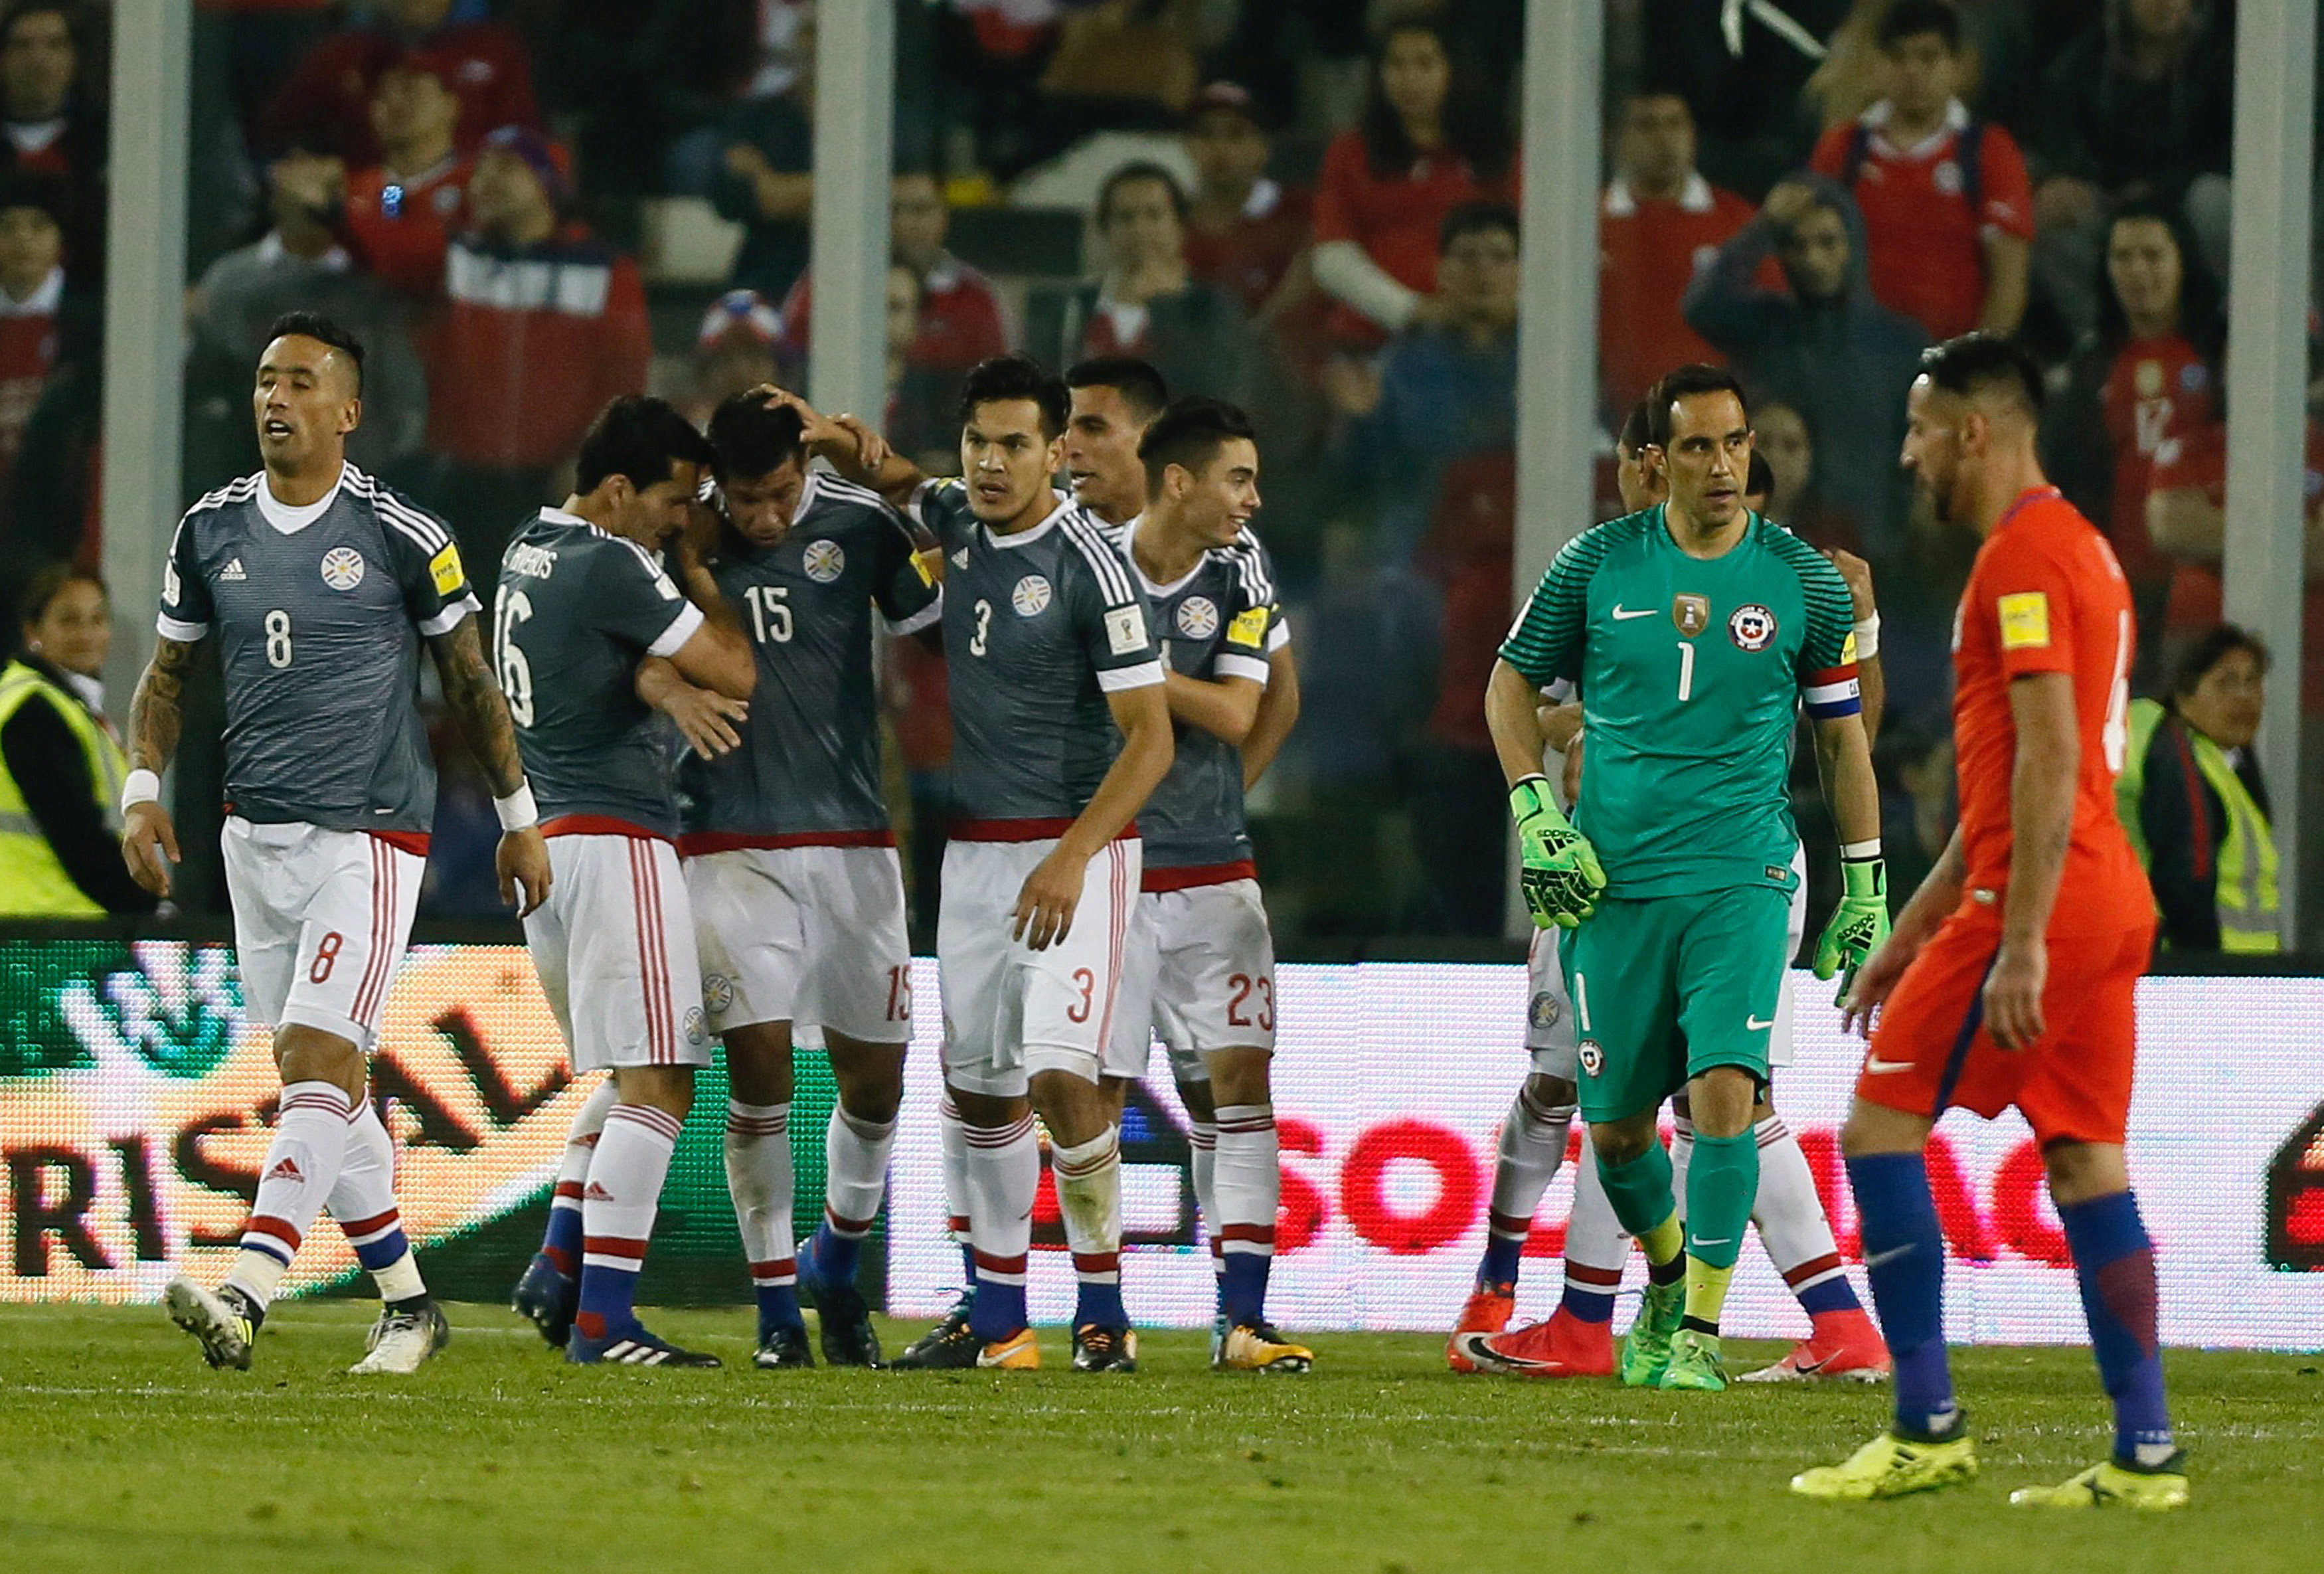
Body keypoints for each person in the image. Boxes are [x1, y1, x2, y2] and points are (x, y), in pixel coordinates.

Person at [1793, 334, 2185, 1510]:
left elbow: (2053, 758)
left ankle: (1925, 1425)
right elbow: (2018, 772)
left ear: (1975, 429)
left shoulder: (2018, 563)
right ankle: (2147, 1451)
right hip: (2105, 902)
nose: (1909, 456)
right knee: (2084, 1162)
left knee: (1878, 1131)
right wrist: (1910, 930)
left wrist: (2011, 939)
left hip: (2042, 907)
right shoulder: (2085, 551)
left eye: (1921, 430)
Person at [127, 312, 550, 1376]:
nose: (277, 399)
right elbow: (168, 677)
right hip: (250, 836)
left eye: (302, 383)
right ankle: (410, 1305)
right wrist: (141, 791)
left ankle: (249, 1288)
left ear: (349, 411)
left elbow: (468, 680)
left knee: (318, 1059)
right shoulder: (207, 531)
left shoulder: (405, 535)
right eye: (268, 380)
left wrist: (516, 819)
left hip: (368, 835)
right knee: (328, 1085)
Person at [1453, 396, 1890, 1386]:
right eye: (1698, 446)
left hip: (1744, 871)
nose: (1721, 464)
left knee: (1725, 1096)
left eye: (1735, 445)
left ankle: (1684, 1327)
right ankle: (1680, 1301)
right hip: (1609, 879)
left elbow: (1845, 731)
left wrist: (1865, 880)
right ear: (1655, 461)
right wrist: (1538, 807)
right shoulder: (1597, 566)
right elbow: (1516, 691)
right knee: (1613, 1117)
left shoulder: (1802, 581)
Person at [886, 355, 1173, 1372]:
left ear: (1058, 451)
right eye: (978, 442)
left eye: (1015, 444)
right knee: (980, 1089)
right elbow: (898, 481)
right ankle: (1001, 1319)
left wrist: (1069, 857)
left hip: (1077, 853)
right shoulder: (957, 521)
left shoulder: (1096, 565)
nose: (992, 463)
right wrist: (844, 446)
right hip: (972, 857)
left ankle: (1103, 1309)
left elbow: (1151, 739)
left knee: (1060, 1075)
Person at [663, 394, 940, 1369]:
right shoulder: (681, 532)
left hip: (856, 843)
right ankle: (778, 1309)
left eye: (782, 493)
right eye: (748, 499)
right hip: (726, 840)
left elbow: (943, 615)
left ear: (804, 469)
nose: (769, 518)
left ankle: (837, 1264)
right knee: (762, 1076)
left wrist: (885, 469)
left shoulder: (860, 523)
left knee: (879, 1082)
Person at [495, 396, 754, 1367]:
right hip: (617, 837)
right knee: (664, 1078)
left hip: (552, 841)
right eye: (672, 500)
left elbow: (617, 658)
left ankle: (559, 1266)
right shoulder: (616, 561)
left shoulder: (531, 545)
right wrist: (696, 581)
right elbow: (734, 670)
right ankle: (603, 1321)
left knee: (629, 1073)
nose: (679, 519)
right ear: (616, 491)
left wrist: (655, 678)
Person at [1104, 396, 1309, 1373]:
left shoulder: (1241, 569)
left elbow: (1246, 710)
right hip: (1107, 868)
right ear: (1179, 481)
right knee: (1091, 1089)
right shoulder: (1089, 558)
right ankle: (1095, 1313)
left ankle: (1245, 1319)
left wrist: (1133, 672)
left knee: (1240, 1084)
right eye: (1238, 478)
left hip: (1212, 869)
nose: (1253, 498)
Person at [421, 127, 653, 578]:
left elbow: (625, 381)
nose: (486, 180)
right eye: (481, 168)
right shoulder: (459, 254)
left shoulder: (604, 270)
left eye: (507, 168)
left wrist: (592, 462)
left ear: (549, 182)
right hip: (465, 478)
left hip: (557, 481)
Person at [1685, 176, 1928, 555]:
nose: (1813, 259)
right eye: (1797, 246)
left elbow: (1912, 455)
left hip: (1869, 550)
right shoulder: (1766, 327)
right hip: (1771, 545)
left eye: (1827, 243)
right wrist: (1764, 226)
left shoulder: (1898, 345)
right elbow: (1702, 306)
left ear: (1853, 247)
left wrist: (1896, 538)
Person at [2044, 202, 2221, 673]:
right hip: (2115, 574)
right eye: (2123, 257)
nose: (2138, 271)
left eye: (2152, 255)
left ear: (2182, 260)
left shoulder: (2221, 351)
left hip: (2206, 581)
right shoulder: (2091, 363)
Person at [1808, 0, 2033, 343]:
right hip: (1858, 360)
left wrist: (1976, 367)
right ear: (1878, 66)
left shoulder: (1989, 151)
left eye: (1928, 58)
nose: (1912, 72)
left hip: (1949, 361)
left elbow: (2009, 280)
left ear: (1958, 66)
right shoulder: (1842, 149)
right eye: (1898, 58)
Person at [1310, 17, 1516, 346]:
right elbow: (1332, 257)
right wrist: (1412, 310)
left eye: (1425, 63)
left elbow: (1544, 247)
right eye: (1396, 65)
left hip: (1486, 341)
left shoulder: (1500, 152)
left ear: (1455, 70)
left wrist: (1500, 308)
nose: (1410, 79)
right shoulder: (1350, 152)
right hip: (1371, 341)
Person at [1023, 163, 1252, 411]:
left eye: (1154, 215)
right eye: (1125, 217)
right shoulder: (1073, 308)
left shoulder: (1213, 309)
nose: (1140, 230)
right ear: (1106, 229)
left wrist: (1166, 307)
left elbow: (1215, 393)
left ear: (1179, 225)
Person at [0, 565, 153, 915]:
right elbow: (77, 836)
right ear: (32, 632)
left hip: (50, 923)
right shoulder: (34, 711)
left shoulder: (67, 707)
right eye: (69, 621)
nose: (86, 634)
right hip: (46, 929)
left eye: (97, 620)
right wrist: (147, 908)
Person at [2117, 626, 2279, 954]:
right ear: (2184, 696)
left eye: (2253, 682)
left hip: (2250, 975)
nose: (2245, 697)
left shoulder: (2232, 767)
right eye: (2227, 683)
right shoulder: (2181, 760)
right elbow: (2186, 874)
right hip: (2206, 972)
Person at [1598, 91, 1754, 418]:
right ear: (1617, 140)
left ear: (1692, 134)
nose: (1663, 138)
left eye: (1674, 124)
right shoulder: (1587, 224)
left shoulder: (1737, 223)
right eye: (1647, 125)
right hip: (1605, 423)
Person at [776, 171, 1012, 376]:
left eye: (920, 210)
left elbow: (995, 382)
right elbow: (793, 363)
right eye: (893, 210)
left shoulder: (975, 297)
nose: (904, 222)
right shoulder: (827, 285)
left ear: (944, 217)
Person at [262, 0, 540, 167]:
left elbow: (529, 146)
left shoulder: (495, 47)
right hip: (372, 207)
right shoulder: (339, 55)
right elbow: (277, 141)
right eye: (383, 94)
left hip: (473, 209)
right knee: (392, 211)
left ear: (450, 105)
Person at [1179, 81, 1315, 329]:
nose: (1220, 148)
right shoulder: (1171, 219)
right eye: (1206, 134)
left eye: (1236, 134)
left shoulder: (1302, 210)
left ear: (1262, 148)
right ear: (1187, 147)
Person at [340, 58, 471, 297]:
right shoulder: (348, 190)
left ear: (451, 105)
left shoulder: (479, 185)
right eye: (382, 95)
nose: (395, 103)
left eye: (410, 90)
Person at [0, 4, 103, 282]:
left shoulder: (105, 142)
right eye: (22, 46)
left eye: (55, 45)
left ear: (75, 57)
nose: (38, 59)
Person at [0, 174, 64, 493]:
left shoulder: (88, 323)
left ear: (59, 239)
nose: (22, 240)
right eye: (8, 227)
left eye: (37, 226)